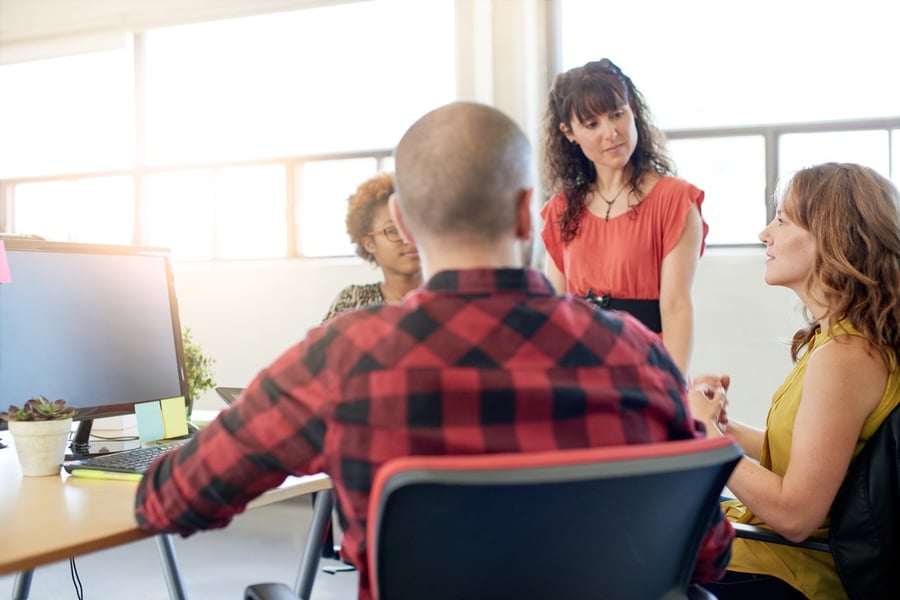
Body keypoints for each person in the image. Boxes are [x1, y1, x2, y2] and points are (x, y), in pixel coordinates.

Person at [134, 101, 733, 600]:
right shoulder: (636, 354)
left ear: (403, 219)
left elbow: (172, 500)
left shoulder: (346, 358)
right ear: (529, 215)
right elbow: (709, 553)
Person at [688, 162, 900, 599]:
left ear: (832, 237)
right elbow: (811, 453)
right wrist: (722, 425)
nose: (765, 233)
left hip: (788, 571)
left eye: (782, 219)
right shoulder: (840, 340)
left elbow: (795, 515)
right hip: (772, 551)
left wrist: (710, 439)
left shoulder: (845, 358)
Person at [540, 58, 707, 375]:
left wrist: (673, 390)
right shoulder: (560, 209)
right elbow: (557, 311)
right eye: (592, 124)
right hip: (578, 370)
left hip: (645, 367)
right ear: (569, 133)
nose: (611, 132)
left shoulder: (674, 200)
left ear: (634, 112)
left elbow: (675, 307)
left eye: (617, 114)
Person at [322, 172, 422, 322]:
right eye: (393, 231)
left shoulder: (449, 296)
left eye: (412, 226)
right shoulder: (353, 302)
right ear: (369, 244)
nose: (408, 238)